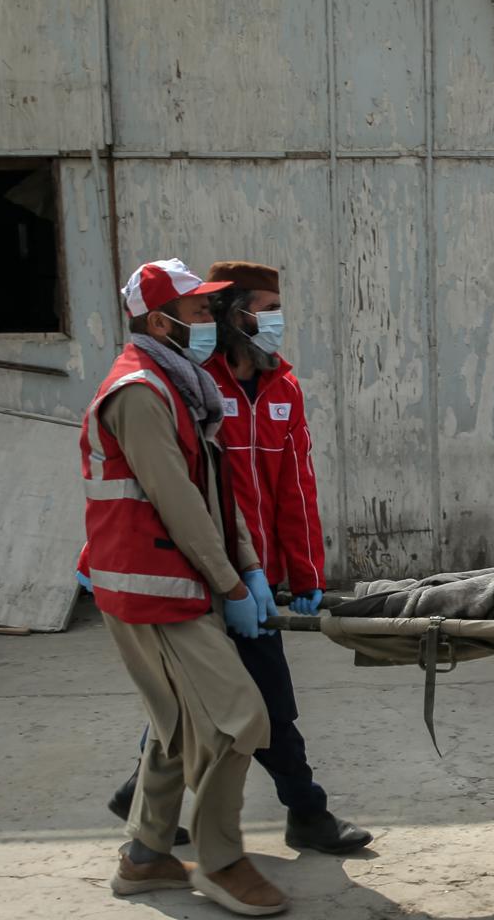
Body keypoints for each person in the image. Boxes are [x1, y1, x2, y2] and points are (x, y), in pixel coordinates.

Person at [105, 260, 371, 855]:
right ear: (234, 314)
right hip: (204, 574)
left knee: (201, 697)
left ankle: (139, 798)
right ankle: (303, 813)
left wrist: (302, 574)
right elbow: (181, 495)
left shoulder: (284, 388)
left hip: (254, 573)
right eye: (266, 308)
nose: (276, 320)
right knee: (262, 701)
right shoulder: (197, 386)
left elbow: (297, 489)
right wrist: (230, 580)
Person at [83, 258, 288, 917]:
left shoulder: (181, 384)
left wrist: (249, 566)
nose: (211, 322)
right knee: (236, 721)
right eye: (199, 312)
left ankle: (144, 856)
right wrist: (231, 584)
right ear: (156, 320)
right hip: (154, 586)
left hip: (171, 577)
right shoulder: (140, 393)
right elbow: (178, 502)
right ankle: (222, 860)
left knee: (173, 728)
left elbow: (217, 494)